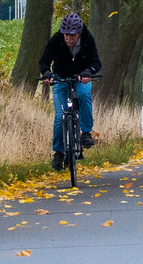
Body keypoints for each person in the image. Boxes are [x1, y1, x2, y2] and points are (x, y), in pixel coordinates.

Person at [37, 12, 100, 164]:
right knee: (60, 116)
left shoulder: (87, 39)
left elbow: (96, 62)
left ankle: (85, 133)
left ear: (79, 33)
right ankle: (58, 152)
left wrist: (88, 72)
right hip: (60, 78)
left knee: (85, 95)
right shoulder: (56, 39)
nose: (68, 38)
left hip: (80, 78)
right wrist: (46, 73)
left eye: (72, 36)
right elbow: (44, 60)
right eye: (66, 35)